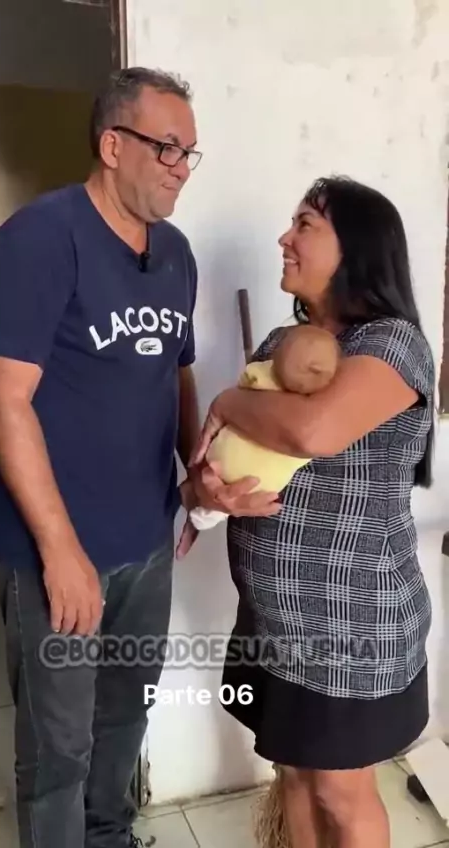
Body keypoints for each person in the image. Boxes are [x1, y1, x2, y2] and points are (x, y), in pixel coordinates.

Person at [0, 67, 279, 848]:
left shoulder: (174, 253)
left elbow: (174, 371)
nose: (181, 168)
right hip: (56, 548)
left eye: (189, 153)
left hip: (147, 537)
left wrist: (196, 475)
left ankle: (108, 836)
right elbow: (1, 400)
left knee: (125, 714)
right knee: (59, 746)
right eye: (167, 148)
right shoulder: (40, 240)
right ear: (112, 145)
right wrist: (60, 551)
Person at [190, 176, 435, 848]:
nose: (285, 238)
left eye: (304, 225)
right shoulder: (279, 344)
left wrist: (227, 401)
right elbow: (228, 455)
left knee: (340, 791)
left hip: (350, 627)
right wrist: (207, 489)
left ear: (356, 247)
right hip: (272, 620)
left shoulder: (391, 345)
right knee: (293, 775)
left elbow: (313, 432)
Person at [189, 324, 340, 530]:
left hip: (223, 461)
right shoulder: (323, 391)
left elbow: (308, 435)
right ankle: (209, 511)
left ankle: (208, 512)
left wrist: (228, 402)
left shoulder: (264, 372)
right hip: (265, 484)